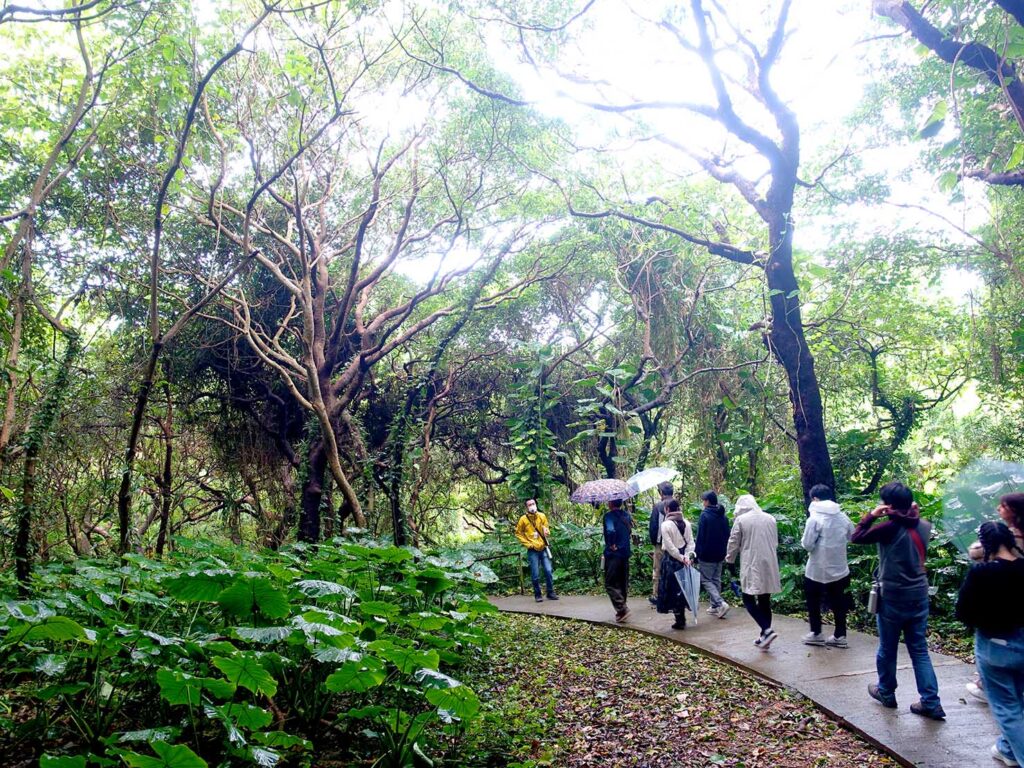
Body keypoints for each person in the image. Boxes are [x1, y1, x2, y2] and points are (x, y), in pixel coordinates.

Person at [852, 481, 945, 720]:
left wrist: (872, 515)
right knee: (919, 650)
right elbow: (912, 521)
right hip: (919, 596)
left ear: (888, 505)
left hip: (893, 597)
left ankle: (886, 692)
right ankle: (931, 702)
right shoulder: (924, 525)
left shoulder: (888, 528)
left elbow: (857, 536)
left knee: (887, 647)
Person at [956, 521, 1024, 767]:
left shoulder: (982, 572)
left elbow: (963, 611)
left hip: (994, 645)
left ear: (985, 545)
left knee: (1007, 709)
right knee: (1019, 701)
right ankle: (1008, 750)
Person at [965, 494, 1024, 704]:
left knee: (1006, 708)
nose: (999, 508)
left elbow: (975, 552)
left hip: (1002, 599)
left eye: (1003, 506)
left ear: (1014, 511)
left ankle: (987, 685)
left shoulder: (1011, 537)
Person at [800, 484, 854, 648]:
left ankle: (816, 633)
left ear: (815, 499)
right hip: (839, 568)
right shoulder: (842, 516)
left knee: (813, 600)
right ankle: (840, 635)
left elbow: (807, 544)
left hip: (817, 569)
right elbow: (853, 536)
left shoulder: (814, 518)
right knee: (838, 602)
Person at [725, 494, 781, 650]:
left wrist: (729, 561)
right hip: (769, 562)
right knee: (764, 599)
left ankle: (767, 631)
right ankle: (764, 636)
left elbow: (733, 542)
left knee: (748, 599)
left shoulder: (741, 520)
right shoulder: (770, 518)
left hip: (751, 562)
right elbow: (775, 542)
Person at [657, 499, 696, 629]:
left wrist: (680, 558)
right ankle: (681, 617)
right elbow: (691, 542)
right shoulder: (687, 523)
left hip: (671, 561)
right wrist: (687, 557)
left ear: (667, 509)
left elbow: (669, 547)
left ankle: (679, 619)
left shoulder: (665, 525)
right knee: (683, 588)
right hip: (685, 560)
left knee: (672, 589)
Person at [695, 490, 731, 619]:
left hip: (707, 553)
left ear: (708, 501)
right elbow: (728, 535)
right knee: (716, 579)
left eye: (704, 500)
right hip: (720, 552)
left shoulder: (705, 516)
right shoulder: (723, 516)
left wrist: (697, 553)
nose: (703, 503)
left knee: (705, 579)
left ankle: (720, 603)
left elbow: (700, 536)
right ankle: (715, 606)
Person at [514, 499, 558, 603]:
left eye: (533, 504)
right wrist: (528, 544)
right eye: (529, 505)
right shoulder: (523, 519)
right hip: (532, 550)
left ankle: (550, 593)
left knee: (548, 570)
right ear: (526, 507)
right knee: (535, 574)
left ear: (536, 504)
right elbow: (518, 533)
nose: (532, 506)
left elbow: (547, 529)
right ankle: (537, 595)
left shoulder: (542, 516)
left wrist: (546, 532)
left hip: (543, 548)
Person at [603, 498, 633, 622]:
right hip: (625, 552)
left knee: (610, 582)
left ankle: (622, 608)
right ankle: (622, 611)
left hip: (614, 553)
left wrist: (612, 543)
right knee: (622, 581)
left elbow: (610, 530)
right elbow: (629, 530)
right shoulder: (626, 515)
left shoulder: (608, 516)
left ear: (610, 503)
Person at [648, 482, 675, 606]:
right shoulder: (677, 505)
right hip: (675, 545)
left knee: (658, 569)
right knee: (671, 569)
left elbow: (653, 527)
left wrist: (654, 542)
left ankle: (657, 595)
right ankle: (672, 594)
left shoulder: (658, 506)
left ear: (662, 493)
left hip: (660, 543)